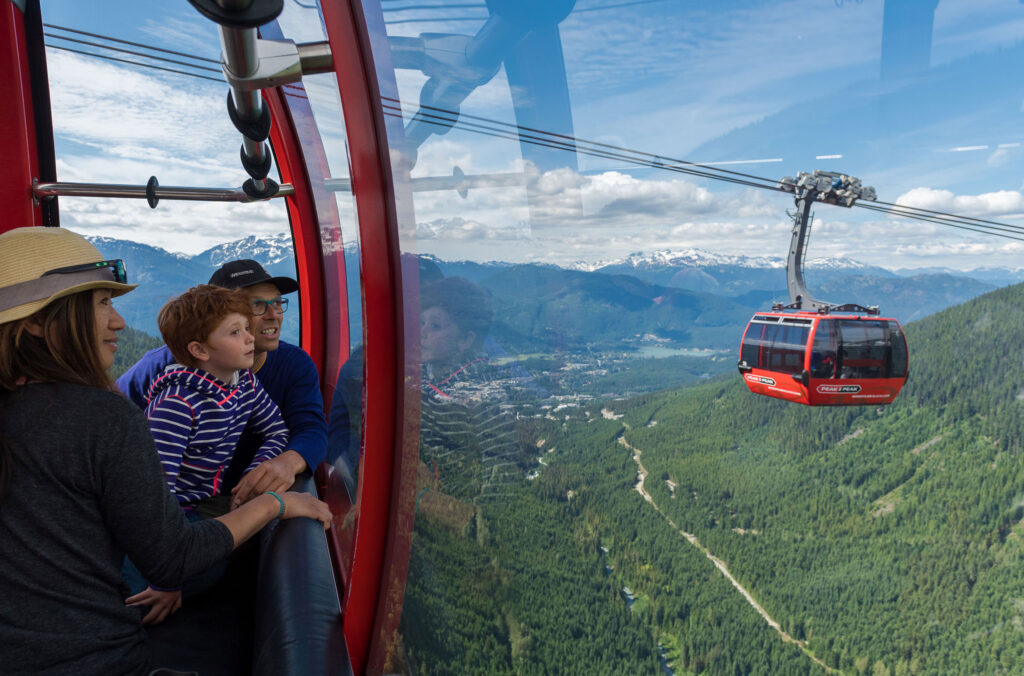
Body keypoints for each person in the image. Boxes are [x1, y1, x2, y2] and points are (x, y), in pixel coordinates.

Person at [0, 226, 331, 675]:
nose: (118, 321)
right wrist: (275, 503)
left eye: (276, 304)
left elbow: (300, 427)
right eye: (101, 303)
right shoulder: (137, 401)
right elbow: (170, 543)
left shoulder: (269, 374)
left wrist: (279, 461)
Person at [121, 285, 291, 616]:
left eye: (245, 327)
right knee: (148, 595)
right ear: (199, 349)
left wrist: (253, 474)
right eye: (234, 332)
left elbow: (276, 430)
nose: (249, 337)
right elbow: (153, 498)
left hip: (196, 509)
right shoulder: (177, 406)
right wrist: (166, 579)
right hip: (160, 519)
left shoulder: (244, 383)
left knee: (219, 567)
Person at [117, 259, 327, 511]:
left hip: (231, 499)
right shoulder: (165, 368)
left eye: (278, 303)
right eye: (257, 305)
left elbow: (310, 428)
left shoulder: (288, 366)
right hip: (174, 508)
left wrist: (286, 462)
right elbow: (113, 416)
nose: (274, 315)